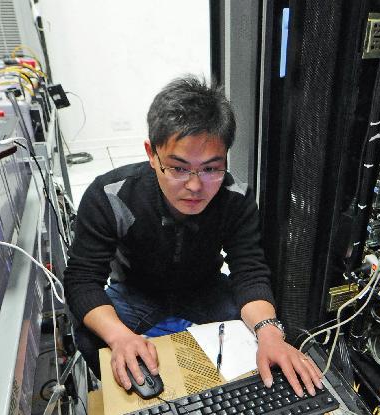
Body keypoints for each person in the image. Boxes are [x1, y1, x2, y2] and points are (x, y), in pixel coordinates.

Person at [64, 75, 322, 397]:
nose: (195, 186)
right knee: (90, 337)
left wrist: (270, 334)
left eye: (212, 168)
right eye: (179, 168)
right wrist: (119, 337)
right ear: (151, 153)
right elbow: (83, 279)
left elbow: (250, 271)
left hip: (204, 290)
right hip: (136, 292)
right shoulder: (110, 195)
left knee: (265, 327)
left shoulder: (235, 198)